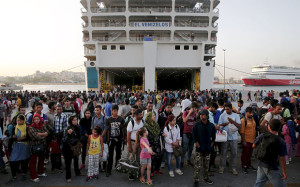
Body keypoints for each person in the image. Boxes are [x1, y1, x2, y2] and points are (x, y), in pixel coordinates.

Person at [253, 119, 287, 187]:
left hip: (261, 163)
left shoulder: (262, 135)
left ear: (269, 126)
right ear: (280, 128)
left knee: (259, 183)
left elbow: (253, 145)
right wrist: (284, 171)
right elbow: (282, 157)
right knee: (280, 185)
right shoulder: (281, 141)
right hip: (272, 166)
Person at [193, 110, 216, 186]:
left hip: (208, 149)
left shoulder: (211, 126)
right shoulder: (196, 125)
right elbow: (194, 136)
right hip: (199, 149)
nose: (201, 116)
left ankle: (206, 178)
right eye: (200, 115)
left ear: (207, 116)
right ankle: (196, 180)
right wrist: (197, 144)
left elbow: (213, 137)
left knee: (206, 165)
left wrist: (211, 145)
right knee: (197, 166)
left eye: (203, 115)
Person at [217, 103, 241, 175]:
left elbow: (239, 126)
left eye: (228, 109)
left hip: (234, 138)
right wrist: (227, 123)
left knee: (234, 153)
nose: (226, 111)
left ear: (231, 109)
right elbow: (219, 125)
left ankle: (233, 168)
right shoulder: (222, 115)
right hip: (225, 137)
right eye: (225, 109)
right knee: (223, 153)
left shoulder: (236, 115)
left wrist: (232, 121)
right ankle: (222, 167)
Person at [7, 115, 30, 183]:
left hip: (24, 146)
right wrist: (17, 138)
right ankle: (14, 176)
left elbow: (28, 138)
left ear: (23, 121)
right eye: (18, 120)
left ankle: (24, 174)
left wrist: (20, 138)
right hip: (17, 146)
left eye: (20, 120)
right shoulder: (15, 127)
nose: (19, 122)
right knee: (12, 160)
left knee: (24, 160)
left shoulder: (27, 127)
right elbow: (13, 137)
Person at [28, 114, 49, 183]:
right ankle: (33, 176)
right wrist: (42, 135)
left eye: (38, 119)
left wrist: (38, 133)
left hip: (43, 146)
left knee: (41, 160)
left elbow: (47, 133)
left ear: (40, 119)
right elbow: (35, 136)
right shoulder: (31, 127)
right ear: (33, 120)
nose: (37, 120)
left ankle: (40, 172)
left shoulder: (42, 125)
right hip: (34, 147)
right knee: (33, 162)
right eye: (35, 119)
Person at [106, 105, 125, 177]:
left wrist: (123, 138)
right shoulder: (109, 120)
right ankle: (109, 169)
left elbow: (123, 129)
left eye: (116, 111)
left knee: (118, 154)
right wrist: (108, 139)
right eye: (113, 111)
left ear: (117, 111)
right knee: (110, 155)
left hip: (119, 139)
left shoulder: (121, 119)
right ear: (111, 111)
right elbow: (108, 130)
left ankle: (117, 166)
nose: (115, 112)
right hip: (111, 139)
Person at [62, 115, 82, 183]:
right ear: (70, 121)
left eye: (76, 120)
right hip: (68, 148)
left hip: (75, 147)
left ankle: (77, 172)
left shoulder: (77, 127)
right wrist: (68, 134)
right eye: (74, 120)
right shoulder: (68, 128)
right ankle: (68, 177)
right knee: (68, 163)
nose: (75, 121)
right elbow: (64, 139)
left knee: (76, 159)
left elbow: (79, 136)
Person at [127, 109, 144, 180]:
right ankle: (130, 174)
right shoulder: (131, 123)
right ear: (136, 115)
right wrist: (130, 146)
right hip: (132, 142)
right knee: (131, 158)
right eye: (140, 115)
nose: (142, 116)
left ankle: (137, 172)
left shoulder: (142, 122)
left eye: (142, 114)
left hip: (140, 143)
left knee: (138, 158)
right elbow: (128, 135)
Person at [144, 112, 163, 176]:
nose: (154, 117)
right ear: (149, 117)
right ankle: (151, 170)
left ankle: (157, 169)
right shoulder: (146, 126)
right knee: (152, 158)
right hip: (151, 144)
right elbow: (146, 137)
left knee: (159, 156)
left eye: (154, 115)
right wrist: (149, 146)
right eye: (152, 116)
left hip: (157, 143)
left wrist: (162, 133)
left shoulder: (156, 124)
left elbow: (159, 131)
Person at [240, 107, 257, 174]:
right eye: (250, 113)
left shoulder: (253, 119)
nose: (251, 114)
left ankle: (249, 165)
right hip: (246, 140)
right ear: (246, 112)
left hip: (252, 140)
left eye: (252, 113)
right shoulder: (243, 120)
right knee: (245, 154)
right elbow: (242, 132)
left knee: (250, 154)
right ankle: (244, 165)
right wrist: (243, 141)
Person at [181, 102, 198, 167]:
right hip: (186, 132)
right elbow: (184, 120)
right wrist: (190, 113)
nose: (196, 110)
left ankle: (188, 160)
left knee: (191, 148)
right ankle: (182, 161)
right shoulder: (185, 112)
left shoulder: (196, 114)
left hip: (192, 133)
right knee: (184, 148)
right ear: (192, 108)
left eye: (197, 109)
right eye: (195, 108)